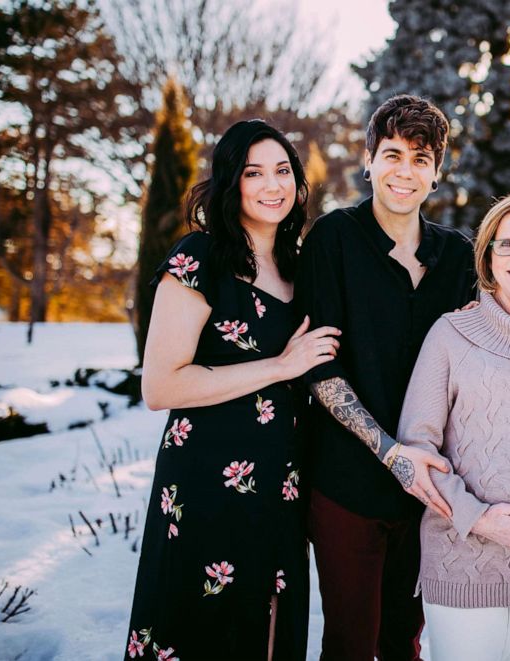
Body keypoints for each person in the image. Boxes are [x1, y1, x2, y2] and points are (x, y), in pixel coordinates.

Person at [125, 120, 341, 661]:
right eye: (254, 173)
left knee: (267, 624)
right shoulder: (200, 259)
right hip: (206, 481)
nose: (273, 185)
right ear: (231, 183)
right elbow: (161, 384)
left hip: (282, 483)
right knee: (202, 627)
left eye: (283, 171)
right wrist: (280, 365)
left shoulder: (300, 264)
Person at [294, 94, 477, 660]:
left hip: (429, 494)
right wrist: (389, 450)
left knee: (405, 640)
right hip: (346, 482)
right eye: (392, 154)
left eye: (421, 159)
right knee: (350, 641)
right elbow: (319, 364)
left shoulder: (459, 257)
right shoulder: (333, 240)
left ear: (437, 173)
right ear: (369, 159)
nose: (405, 171)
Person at [392, 193, 510, 661]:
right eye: (506, 245)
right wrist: (477, 517)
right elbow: (411, 452)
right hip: (462, 560)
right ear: (487, 257)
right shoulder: (450, 334)